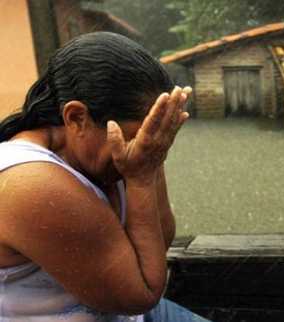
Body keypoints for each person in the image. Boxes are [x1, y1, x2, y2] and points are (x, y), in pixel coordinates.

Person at [0, 32, 210, 322]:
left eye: (151, 140)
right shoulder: (30, 182)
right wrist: (142, 176)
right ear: (76, 118)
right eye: (138, 139)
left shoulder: (122, 157)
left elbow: (161, 239)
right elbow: (141, 294)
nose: (141, 151)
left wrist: (153, 158)